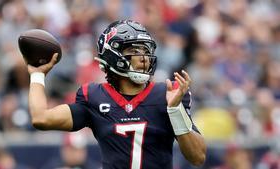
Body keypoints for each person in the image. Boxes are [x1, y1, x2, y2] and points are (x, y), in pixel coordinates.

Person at [26, 20, 206, 169]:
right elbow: (41, 118)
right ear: (113, 55)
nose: (143, 58)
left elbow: (197, 157)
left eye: (145, 51)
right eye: (135, 51)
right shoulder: (94, 96)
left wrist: (175, 111)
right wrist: (37, 74)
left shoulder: (166, 94)